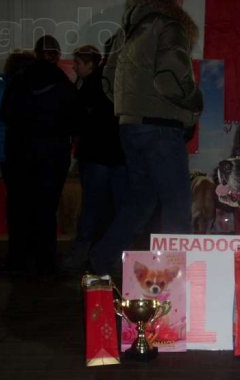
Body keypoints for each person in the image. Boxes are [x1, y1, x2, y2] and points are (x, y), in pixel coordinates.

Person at [89, 0, 203, 277]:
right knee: (177, 206)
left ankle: (101, 261)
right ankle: (178, 279)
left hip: (130, 126)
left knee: (141, 202)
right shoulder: (168, 25)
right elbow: (171, 77)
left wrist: (132, 107)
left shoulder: (124, 32)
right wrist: (196, 102)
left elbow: (107, 79)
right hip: (161, 128)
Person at [0, 35, 79, 278]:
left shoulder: (19, 81)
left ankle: (18, 259)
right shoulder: (63, 82)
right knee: (46, 209)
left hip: (20, 153)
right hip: (52, 155)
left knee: (19, 206)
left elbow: (5, 114)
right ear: (55, 55)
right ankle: (45, 262)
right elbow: (75, 121)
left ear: (36, 53)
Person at [61, 44, 126, 274]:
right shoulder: (118, 83)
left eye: (78, 63)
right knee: (118, 209)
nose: (74, 67)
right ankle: (114, 257)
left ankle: (81, 255)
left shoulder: (88, 86)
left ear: (91, 64)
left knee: (91, 208)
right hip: (119, 157)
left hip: (96, 156)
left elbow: (75, 121)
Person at [0, 50, 36, 273]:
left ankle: (20, 252)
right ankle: (20, 252)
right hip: (11, 149)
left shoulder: (3, 85)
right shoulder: (5, 85)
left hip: (10, 148)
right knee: (19, 201)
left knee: (18, 201)